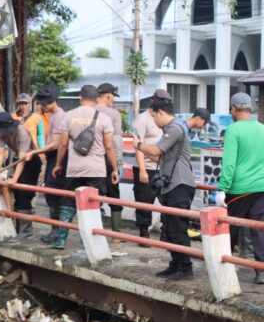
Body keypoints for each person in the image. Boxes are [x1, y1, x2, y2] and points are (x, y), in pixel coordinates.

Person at [134, 95, 197, 281]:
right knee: (169, 229)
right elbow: (158, 157)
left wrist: (138, 145)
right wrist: (144, 150)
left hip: (180, 185)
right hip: (172, 186)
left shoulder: (175, 128)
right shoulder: (171, 129)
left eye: (154, 116)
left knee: (177, 229)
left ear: (161, 113)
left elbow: (155, 151)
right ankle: (176, 264)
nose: (154, 121)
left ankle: (185, 268)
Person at [51, 85, 119, 249]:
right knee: (93, 203)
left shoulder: (68, 116)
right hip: (96, 169)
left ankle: (61, 239)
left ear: (80, 97)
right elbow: (109, 146)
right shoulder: (104, 118)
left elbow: (63, 144)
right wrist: (115, 168)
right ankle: (90, 241)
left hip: (74, 168)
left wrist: (58, 164)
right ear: (97, 99)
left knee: (68, 202)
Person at [218, 92, 264, 284]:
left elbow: (229, 163)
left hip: (238, 189)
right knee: (261, 230)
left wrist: (222, 188)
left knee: (230, 229)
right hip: (260, 187)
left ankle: (225, 265)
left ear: (233, 109)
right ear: (250, 109)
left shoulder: (233, 130)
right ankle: (262, 271)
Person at [132, 90, 174, 242]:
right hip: (147, 167)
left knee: (167, 201)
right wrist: (142, 170)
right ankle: (144, 233)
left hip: (163, 168)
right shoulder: (142, 119)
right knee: (145, 202)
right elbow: (137, 146)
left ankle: (165, 233)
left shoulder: (167, 119)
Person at [29, 85, 68, 244]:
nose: (41, 106)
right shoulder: (55, 115)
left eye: (42, 103)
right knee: (52, 195)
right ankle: (56, 231)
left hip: (57, 158)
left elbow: (56, 144)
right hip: (54, 157)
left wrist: (35, 152)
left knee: (53, 195)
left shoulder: (59, 117)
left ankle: (57, 232)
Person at [0, 112, 40, 238]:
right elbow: (0, 152)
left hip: (31, 161)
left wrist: (14, 178)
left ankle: (26, 231)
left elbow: (22, 159)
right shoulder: (0, 133)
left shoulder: (23, 133)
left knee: (24, 194)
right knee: (17, 193)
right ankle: (18, 228)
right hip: (17, 159)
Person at [97, 82, 126, 232]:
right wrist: (118, 165)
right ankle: (116, 235)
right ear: (108, 95)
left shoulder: (88, 111)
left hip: (91, 162)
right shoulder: (114, 114)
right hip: (108, 161)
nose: (113, 100)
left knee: (93, 198)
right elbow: (116, 142)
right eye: (113, 96)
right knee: (114, 197)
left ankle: (92, 232)